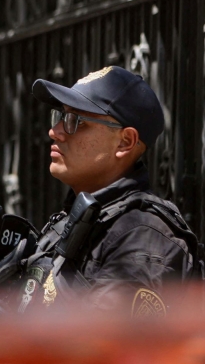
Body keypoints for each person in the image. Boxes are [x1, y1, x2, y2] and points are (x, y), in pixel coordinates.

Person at [10, 65, 195, 314]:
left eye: (76, 121)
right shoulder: (83, 219)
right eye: (60, 116)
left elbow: (106, 350)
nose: (54, 132)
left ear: (125, 141)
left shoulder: (142, 239)